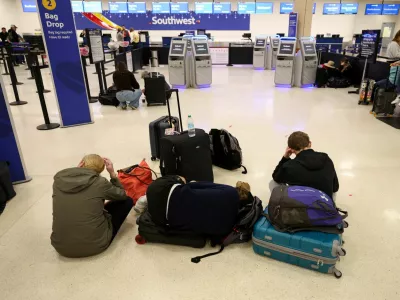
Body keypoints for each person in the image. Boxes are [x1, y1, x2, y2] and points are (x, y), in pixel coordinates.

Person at [51, 154, 133, 258]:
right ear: (100, 171)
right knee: (127, 201)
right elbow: (122, 195)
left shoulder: (59, 181)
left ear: (81, 163)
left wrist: (77, 172)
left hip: (60, 247)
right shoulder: (99, 182)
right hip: (96, 246)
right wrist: (112, 173)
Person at [146, 176, 240, 238]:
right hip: (164, 218)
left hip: (160, 190)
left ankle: (144, 199)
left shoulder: (231, 192)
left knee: (181, 179)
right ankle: (144, 201)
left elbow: (196, 184)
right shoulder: (225, 230)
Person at [271, 131, 339, 199]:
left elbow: (276, 177)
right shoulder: (326, 159)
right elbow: (335, 188)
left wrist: (285, 157)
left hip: (300, 207)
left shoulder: (289, 166)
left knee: (273, 184)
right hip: (324, 206)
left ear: (291, 149)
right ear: (310, 143)